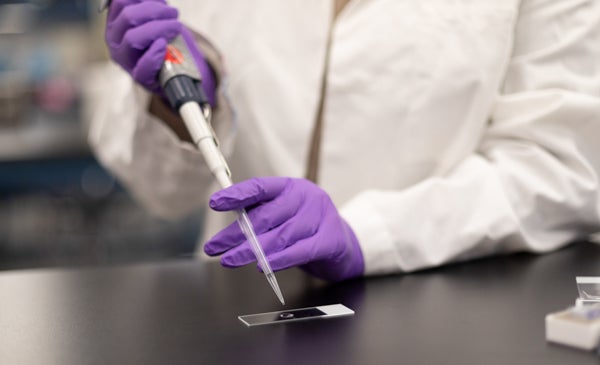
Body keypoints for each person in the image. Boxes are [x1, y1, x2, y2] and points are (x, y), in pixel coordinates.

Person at [87, 0, 600, 281]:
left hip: (444, 306)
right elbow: (160, 194)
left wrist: (370, 235)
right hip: (237, 315)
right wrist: (175, 109)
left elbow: (563, 168)